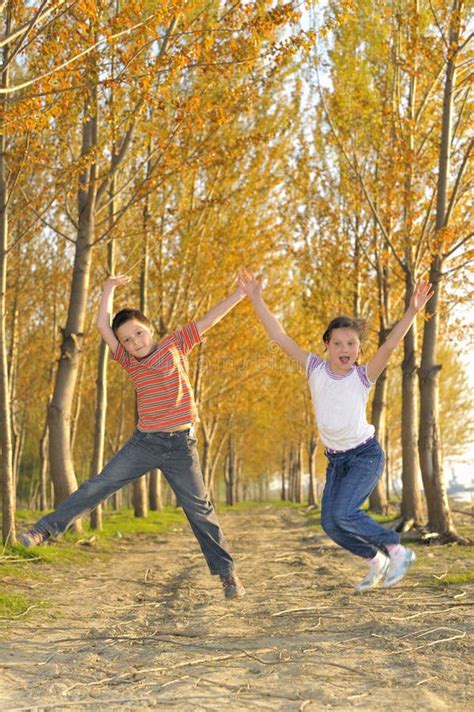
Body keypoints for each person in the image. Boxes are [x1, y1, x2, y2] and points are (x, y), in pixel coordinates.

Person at [20, 274, 246, 600]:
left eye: (138, 333)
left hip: (181, 446)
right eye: (126, 339)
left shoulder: (176, 343)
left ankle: (227, 575)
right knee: (98, 485)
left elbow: (210, 318)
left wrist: (241, 293)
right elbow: (101, 326)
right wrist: (109, 287)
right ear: (122, 346)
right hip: (145, 444)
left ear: (150, 329)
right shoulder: (129, 362)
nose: (135, 342)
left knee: (200, 510)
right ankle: (44, 529)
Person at [238, 268, 433, 591]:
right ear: (327, 345)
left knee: (344, 512)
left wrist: (412, 311)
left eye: (352, 343)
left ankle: (397, 550)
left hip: (364, 456)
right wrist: (257, 299)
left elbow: (389, 345)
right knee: (331, 522)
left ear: (359, 349)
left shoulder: (363, 376)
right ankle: (376, 559)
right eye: (338, 342)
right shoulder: (314, 368)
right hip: (337, 461)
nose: (345, 348)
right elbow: (279, 336)